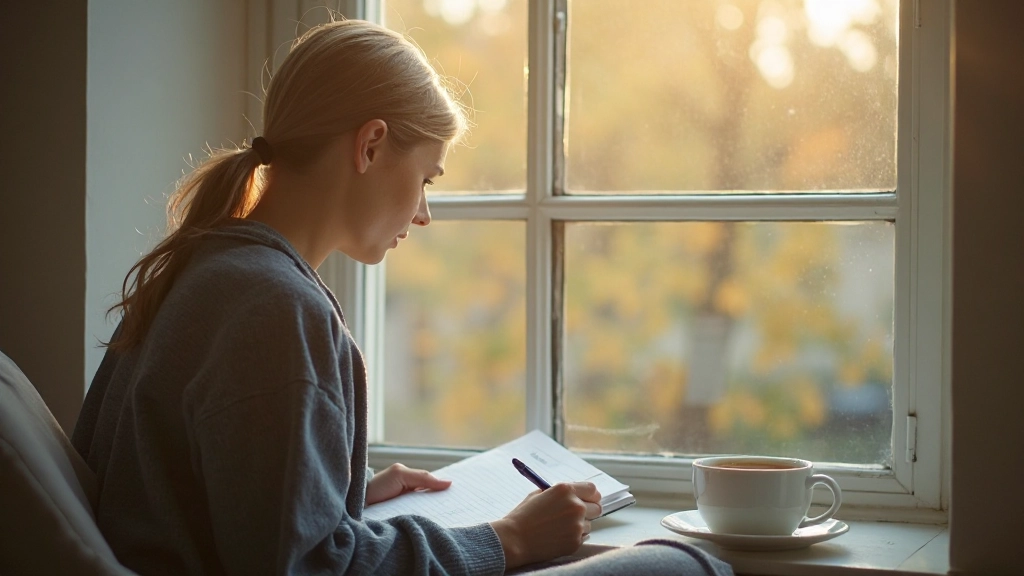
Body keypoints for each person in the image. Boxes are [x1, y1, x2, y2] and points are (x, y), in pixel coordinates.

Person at [72, 18, 733, 576]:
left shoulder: (195, 269)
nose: (423, 214)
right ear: (371, 144)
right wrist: (510, 540)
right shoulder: (273, 308)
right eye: (425, 179)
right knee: (684, 564)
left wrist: (342, 496)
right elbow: (308, 569)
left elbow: (211, 505)